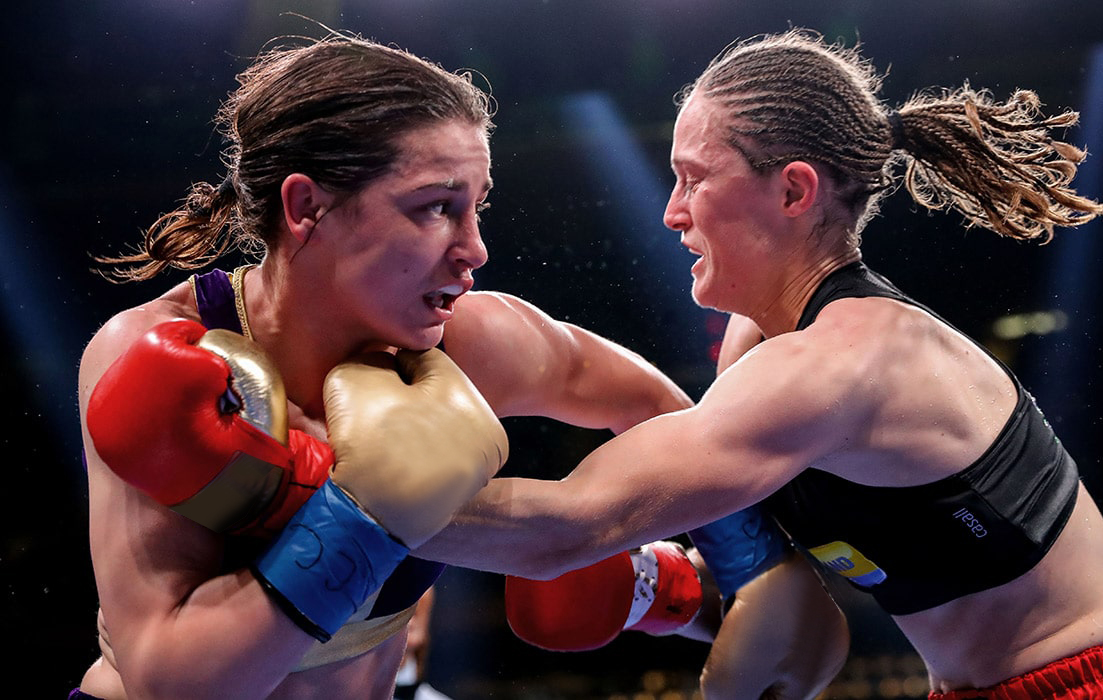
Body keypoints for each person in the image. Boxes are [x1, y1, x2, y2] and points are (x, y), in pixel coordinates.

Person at [415, 29, 1103, 699]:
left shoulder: (842, 364)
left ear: (792, 190)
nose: (672, 211)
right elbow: (755, 549)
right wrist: (667, 590)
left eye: (695, 178)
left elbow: (575, 525)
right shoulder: (760, 343)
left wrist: (344, 496)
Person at [74, 32, 705, 700]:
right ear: (306, 207)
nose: (475, 249)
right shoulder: (161, 355)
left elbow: (678, 423)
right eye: (437, 207)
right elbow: (169, 682)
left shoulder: (474, 342)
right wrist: (361, 519)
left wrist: (742, 579)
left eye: (478, 206)